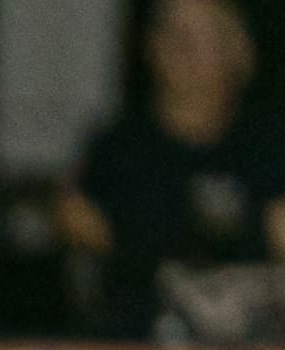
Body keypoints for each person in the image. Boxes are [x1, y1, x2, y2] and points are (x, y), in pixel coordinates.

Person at [62, 0, 284, 309]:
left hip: (252, 344)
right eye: (171, 33)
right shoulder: (120, 147)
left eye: (200, 37)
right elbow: (78, 220)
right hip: (139, 343)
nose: (181, 50)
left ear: (240, 51)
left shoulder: (268, 145)